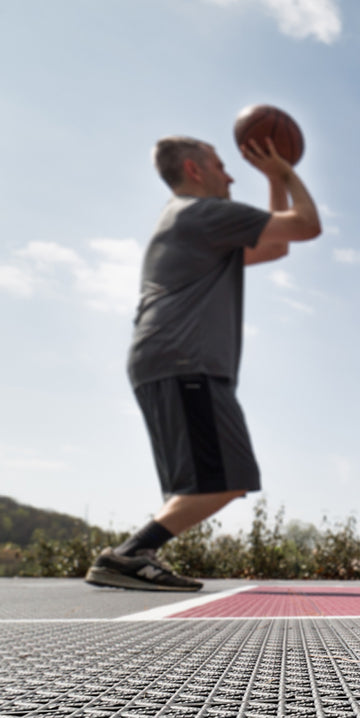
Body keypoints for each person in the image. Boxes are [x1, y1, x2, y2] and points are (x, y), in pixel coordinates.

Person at [85, 134, 322, 591]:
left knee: (203, 481)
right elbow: (307, 225)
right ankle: (130, 554)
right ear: (195, 169)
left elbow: (276, 245)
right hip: (184, 359)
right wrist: (285, 174)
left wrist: (274, 182)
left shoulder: (189, 222)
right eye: (220, 164)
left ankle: (137, 555)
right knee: (225, 478)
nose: (231, 175)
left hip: (169, 359)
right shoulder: (203, 215)